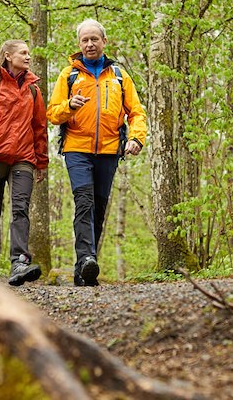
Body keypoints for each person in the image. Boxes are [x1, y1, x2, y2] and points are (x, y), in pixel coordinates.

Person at [46, 19, 147, 286]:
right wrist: (70, 105)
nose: (89, 44)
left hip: (109, 150)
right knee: (84, 203)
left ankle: (83, 270)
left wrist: (136, 138)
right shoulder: (69, 75)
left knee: (99, 208)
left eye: (94, 39)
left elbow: (136, 112)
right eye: (84, 40)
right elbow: (53, 113)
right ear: (79, 44)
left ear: (104, 42)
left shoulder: (119, 76)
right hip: (77, 148)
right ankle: (87, 258)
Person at [0, 40, 48, 286]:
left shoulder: (33, 90)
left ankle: (19, 262)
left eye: (29, 53)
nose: (28, 57)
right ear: (8, 55)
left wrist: (42, 161)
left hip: (24, 157)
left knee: (20, 208)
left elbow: (39, 127)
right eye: (23, 53)